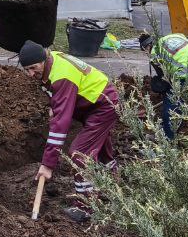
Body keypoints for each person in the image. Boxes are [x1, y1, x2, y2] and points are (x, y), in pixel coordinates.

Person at [19, 40, 120, 224]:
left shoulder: (62, 76)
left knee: (79, 153)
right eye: (26, 70)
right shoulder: (53, 59)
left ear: (43, 59)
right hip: (95, 102)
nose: (30, 74)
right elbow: (56, 92)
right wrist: (53, 104)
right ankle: (113, 181)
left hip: (103, 106)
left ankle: (86, 206)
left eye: (33, 68)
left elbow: (61, 125)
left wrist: (48, 165)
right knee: (100, 147)